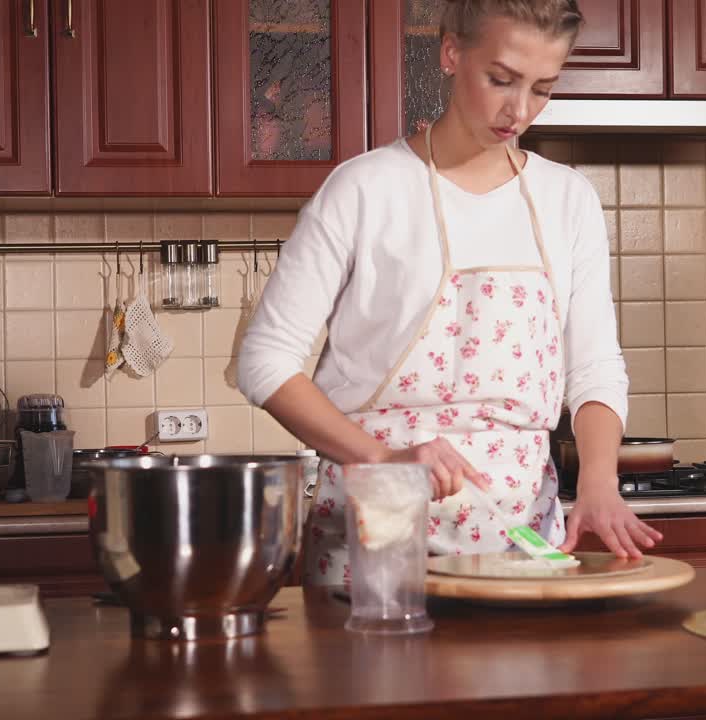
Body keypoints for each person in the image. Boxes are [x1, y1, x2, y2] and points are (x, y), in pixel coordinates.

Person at [237, 0, 662, 585]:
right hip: (376, 544)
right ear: (451, 53)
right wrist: (384, 460)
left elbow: (594, 369)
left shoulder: (569, 200)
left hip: (520, 547)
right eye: (501, 79)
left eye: (543, 88)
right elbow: (264, 361)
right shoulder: (365, 189)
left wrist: (598, 483)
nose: (519, 110)